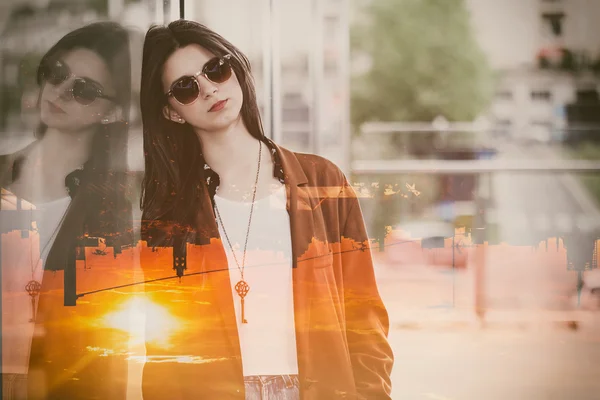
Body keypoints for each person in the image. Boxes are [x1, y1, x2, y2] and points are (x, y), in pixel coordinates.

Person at [139, 19, 393, 399]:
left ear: (235, 71)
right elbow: (163, 346)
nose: (209, 89)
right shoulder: (169, 214)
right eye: (186, 88)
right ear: (172, 112)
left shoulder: (323, 181)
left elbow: (364, 317)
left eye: (215, 69)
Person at [0, 21, 135, 399]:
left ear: (111, 113)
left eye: (85, 90)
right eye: (58, 73)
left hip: (64, 384)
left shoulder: (119, 209)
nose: (59, 91)